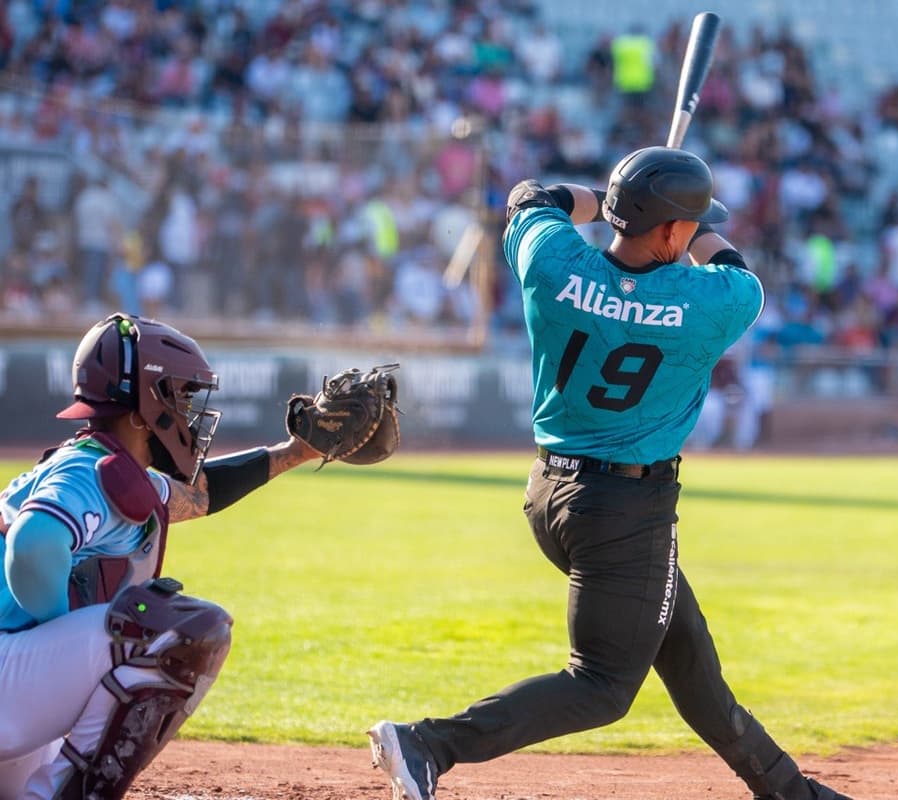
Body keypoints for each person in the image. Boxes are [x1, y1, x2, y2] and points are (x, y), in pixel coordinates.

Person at [367, 147, 852, 800]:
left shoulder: (551, 260)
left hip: (552, 495)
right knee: (602, 684)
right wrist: (687, 224)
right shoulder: (711, 300)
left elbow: (530, 197)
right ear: (674, 231)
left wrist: (612, 199)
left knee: (693, 671)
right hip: (627, 511)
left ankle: (794, 794)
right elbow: (734, 267)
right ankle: (429, 743)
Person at [0, 313, 321, 799]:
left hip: (11, 676)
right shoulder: (90, 472)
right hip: (8, 674)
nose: (190, 412)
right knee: (180, 630)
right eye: (182, 396)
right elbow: (33, 544)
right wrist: (57, 627)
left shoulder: (104, 465)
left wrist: (297, 451)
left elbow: (202, 494)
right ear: (144, 406)